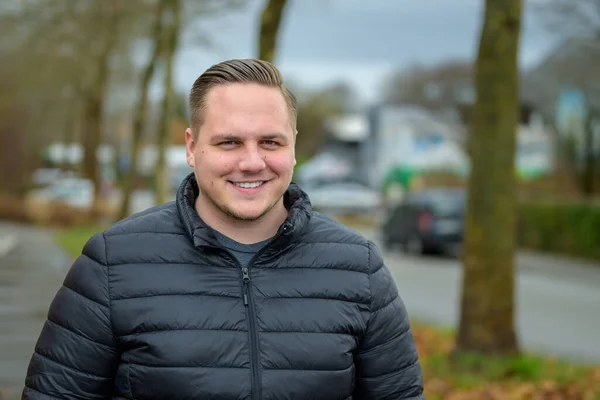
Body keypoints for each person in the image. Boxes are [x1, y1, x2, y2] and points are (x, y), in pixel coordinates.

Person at [22, 58, 425, 399]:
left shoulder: (358, 268)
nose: (252, 162)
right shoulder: (112, 264)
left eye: (270, 142)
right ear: (192, 146)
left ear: (294, 146)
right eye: (229, 142)